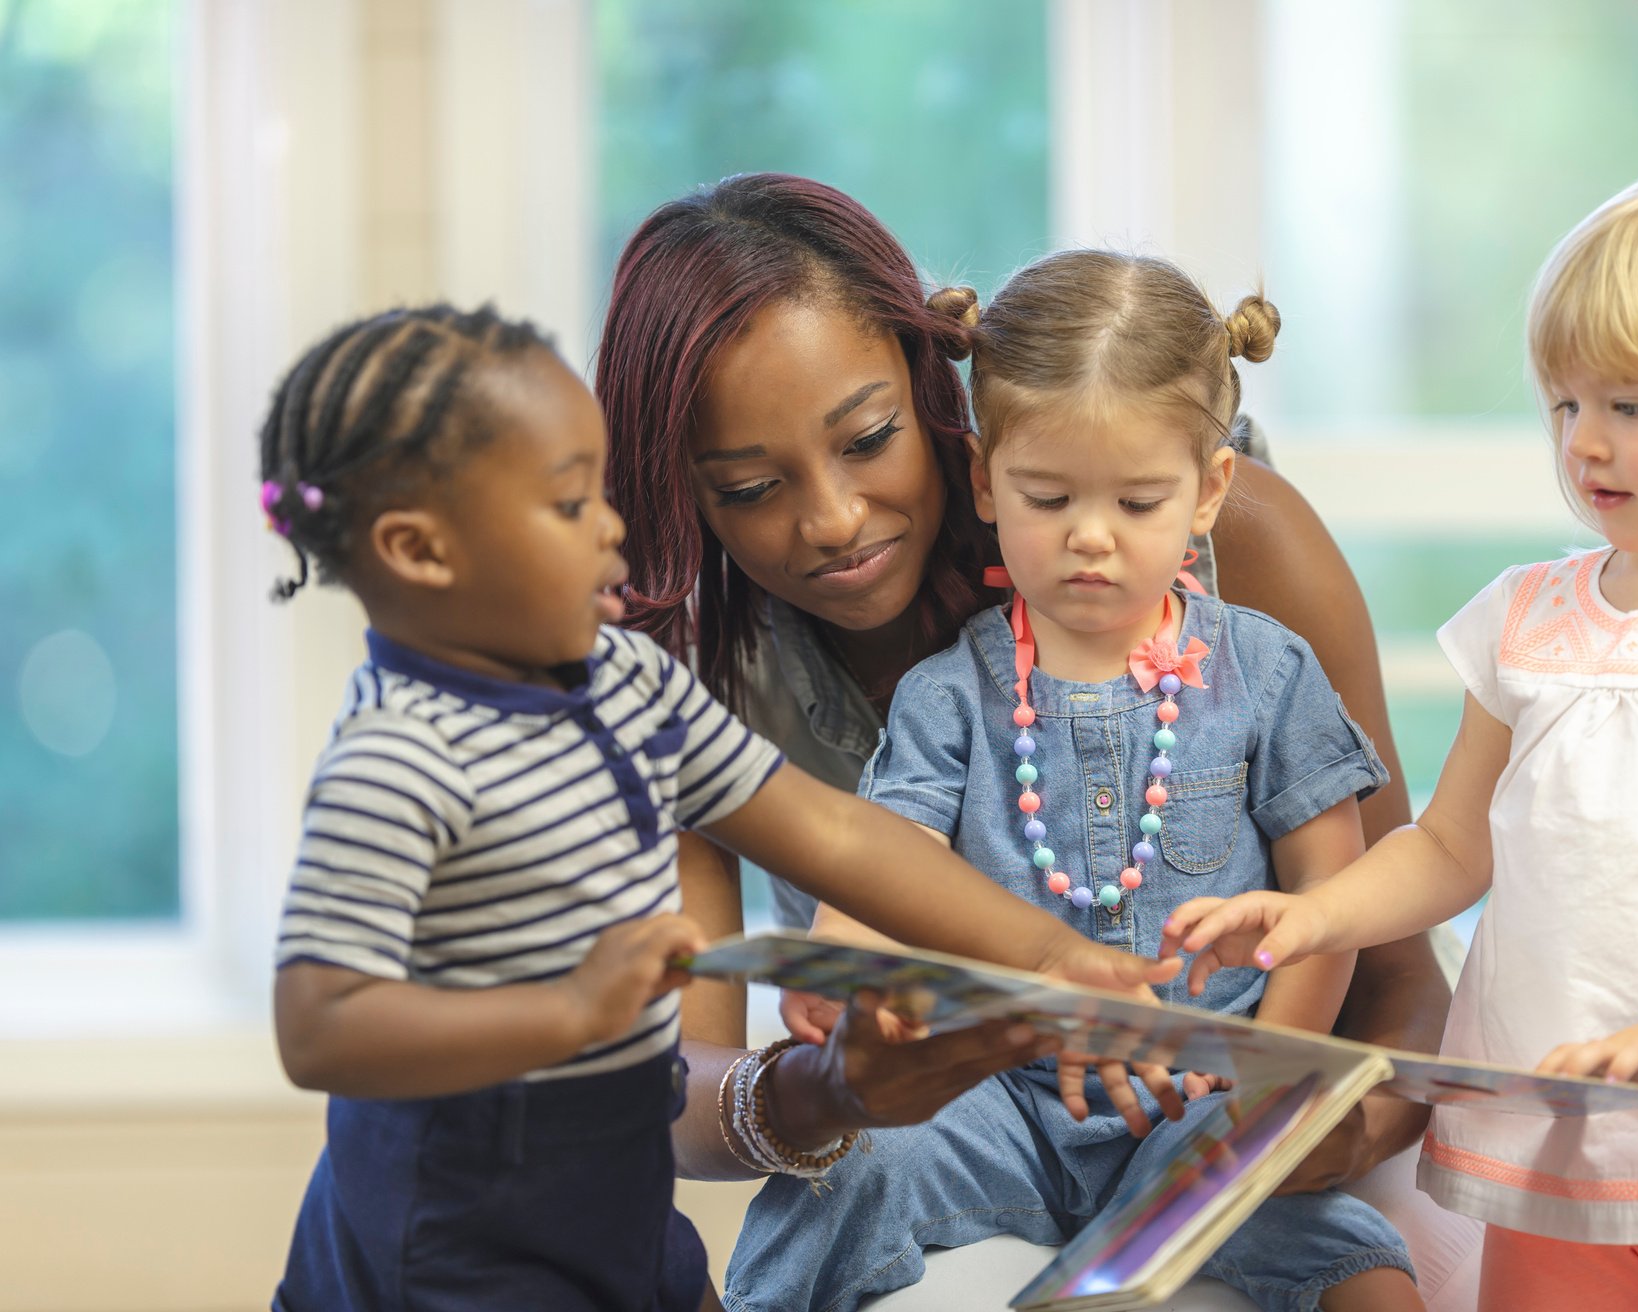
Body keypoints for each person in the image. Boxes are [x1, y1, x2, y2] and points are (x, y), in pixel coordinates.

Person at [595, 172, 1479, 1306]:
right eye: (752, 486)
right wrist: (820, 1082)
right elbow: (697, 1064)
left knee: (1348, 1263)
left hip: (1234, 1096)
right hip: (982, 1118)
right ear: (686, 496)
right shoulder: (726, 674)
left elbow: (1385, 950)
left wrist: (1301, 1121)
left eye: (869, 439)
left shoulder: (1243, 573)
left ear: (935, 403)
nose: (831, 519)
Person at [256, 303, 1178, 1312]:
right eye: (569, 504)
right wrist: (568, 1012)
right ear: (420, 550)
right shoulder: (395, 759)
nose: (611, 524)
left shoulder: (624, 679)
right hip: (447, 1240)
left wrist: (1050, 959)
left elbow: (828, 830)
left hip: (614, 1200)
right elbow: (320, 1027)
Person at [1162, 158, 1638, 1312]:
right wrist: (1312, 914)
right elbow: (1446, 850)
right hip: (1551, 1149)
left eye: (1630, 407)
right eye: (1563, 404)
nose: (1582, 443)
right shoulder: (1527, 622)